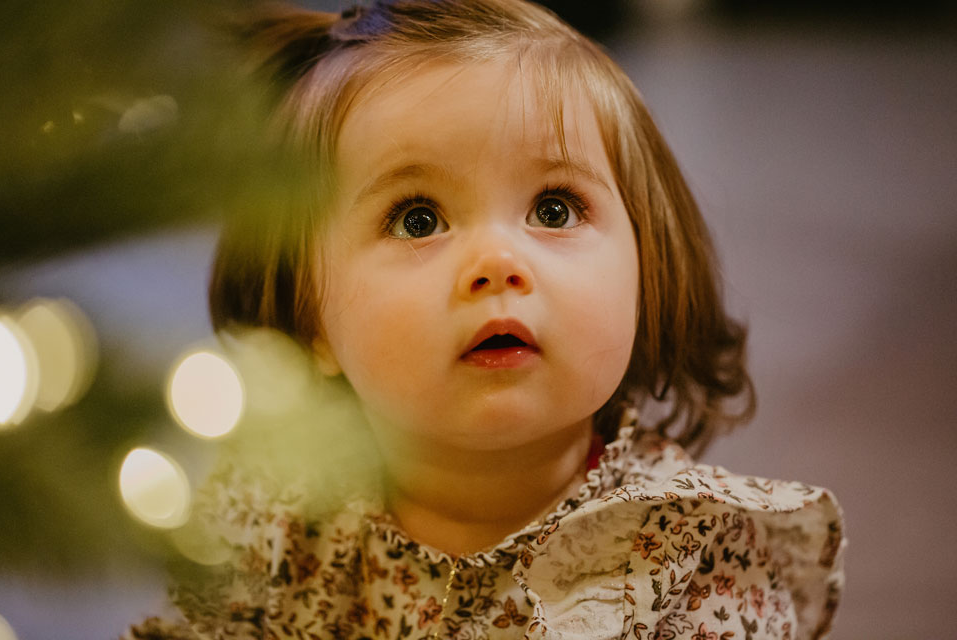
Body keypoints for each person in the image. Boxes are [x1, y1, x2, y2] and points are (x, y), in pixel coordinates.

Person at [123, 1, 844, 638]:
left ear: (648, 270)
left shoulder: (693, 559)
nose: (498, 263)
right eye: (417, 219)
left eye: (554, 209)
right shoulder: (279, 531)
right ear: (309, 318)